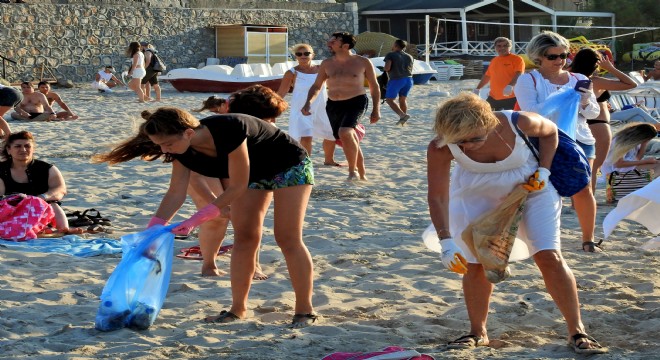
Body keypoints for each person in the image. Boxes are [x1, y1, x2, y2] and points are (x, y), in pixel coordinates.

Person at [94, 106, 317, 327]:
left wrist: (195, 220)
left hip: (288, 165)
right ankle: (237, 310)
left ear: (189, 133)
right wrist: (151, 231)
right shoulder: (180, 151)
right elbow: (175, 193)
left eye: (168, 143)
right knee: (245, 238)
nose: (164, 150)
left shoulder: (229, 129)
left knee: (287, 238)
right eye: (159, 145)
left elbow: (237, 186)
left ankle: (305, 310)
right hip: (253, 174)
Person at [427, 92, 607, 354]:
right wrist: (446, 242)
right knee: (476, 263)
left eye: (474, 138)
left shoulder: (518, 122)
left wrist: (544, 169)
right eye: (460, 141)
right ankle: (478, 332)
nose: (466, 146)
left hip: (533, 188)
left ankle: (577, 330)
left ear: (489, 122)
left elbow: (550, 134)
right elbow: (438, 196)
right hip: (478, 194)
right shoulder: (441, 145)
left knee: (549, 255)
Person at [514, 31, 601, 252]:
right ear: (538, 57)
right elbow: (531, 114)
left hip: (579, 138)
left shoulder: (579, 79)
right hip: (542, 140)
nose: (560, 61)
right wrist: (563, 95)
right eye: (552, 57)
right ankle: (545, 241)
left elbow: (593, 113)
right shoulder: (528, 80)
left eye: (563, 56)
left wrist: (582, 100)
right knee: (545, 190)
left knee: (584, 189)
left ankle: (588, 239)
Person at [303, 31, 381, 181]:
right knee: (345, 137)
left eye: (334, 41)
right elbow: (317, 86)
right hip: (333, 104)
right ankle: (361, 171)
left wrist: (376, 109)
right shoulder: (327, 63)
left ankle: (353, 171)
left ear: (345, 45)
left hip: (356, 101)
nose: (330, 43)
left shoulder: (362, 62)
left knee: (345, 132)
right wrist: (308, 102)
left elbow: (374, 86)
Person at [569, 48, 638, 192]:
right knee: (593, 168)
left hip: (577, 125)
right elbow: (631, 84)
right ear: (595, 64)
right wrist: (611, 68)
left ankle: (578, 202)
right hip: (598, 125)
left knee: (579, 167)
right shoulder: (595, 81)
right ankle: (588, 200)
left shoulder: (571, 77)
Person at [0, 131, 82, 234]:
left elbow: (60, 190)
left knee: (52, 204)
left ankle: (63, 230)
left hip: (42, 211)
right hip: (11, 210)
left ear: (33, 149)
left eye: (27, 146)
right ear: (9, 149)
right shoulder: (1, 170)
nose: (23, 150)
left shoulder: (47, 169)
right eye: (17, 146)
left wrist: (42, 197)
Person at [276, 43, 341, 166]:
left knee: (330, 134)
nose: (303, 56)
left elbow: (334, 85)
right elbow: (281, 93)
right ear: (295, 56)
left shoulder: (321, 69)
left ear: (313, 55)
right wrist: (272, 108)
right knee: (306, 136)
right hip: (301, 108)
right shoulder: (292, 73)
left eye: (306, 53)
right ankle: (307, 162)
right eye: (299, 54)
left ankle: (329, 160)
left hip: (323, 106)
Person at [474, 37, 525, 110]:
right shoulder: (494, 61)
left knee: (511, 120)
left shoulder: (517, 59)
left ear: (510, 47)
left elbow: (519, 73)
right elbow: (487, 76)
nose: (502, 48)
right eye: (499, 46)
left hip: (512, 97)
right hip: (493, 97)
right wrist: (477, 88)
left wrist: (510, 85)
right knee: (487, 116)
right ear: (495, 47)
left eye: (505, 46)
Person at [382, 39, 414, 125]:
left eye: (393, 45)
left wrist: (384, 68)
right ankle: (403, 120)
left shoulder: (391, 55)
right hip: (409, 79)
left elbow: (387, 68)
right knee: (402, 100)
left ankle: (402, 115)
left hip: (397, 79)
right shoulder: (409, 56)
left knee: (389, 100)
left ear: (396, 46)